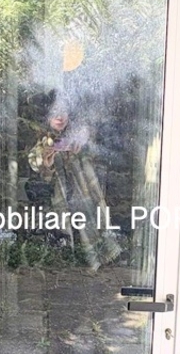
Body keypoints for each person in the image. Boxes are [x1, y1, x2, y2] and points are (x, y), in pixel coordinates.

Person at [27, 97, 121, 269]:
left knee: (89, 223)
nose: (60, 117)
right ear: (48, 116)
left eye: (64, 112)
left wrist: (81, 149)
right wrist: (47, 163)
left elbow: (94, 161)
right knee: (62, 230)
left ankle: (94, 259)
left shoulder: (76, 135)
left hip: (81, 195)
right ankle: (66, 261)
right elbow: (37, 167)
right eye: (55, 113)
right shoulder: (42, 140)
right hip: (55, 200)